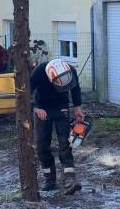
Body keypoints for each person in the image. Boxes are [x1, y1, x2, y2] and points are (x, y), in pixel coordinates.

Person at [30, 58, 85, 194]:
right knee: (42, 145)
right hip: (42, 109)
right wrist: (35, 108)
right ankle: (49, 179)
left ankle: (69, 180)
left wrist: (78, 107)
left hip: (61, 107)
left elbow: (75, 88)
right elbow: (26, 92)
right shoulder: (38, 72)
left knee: (66, 143)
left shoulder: (70, 70)